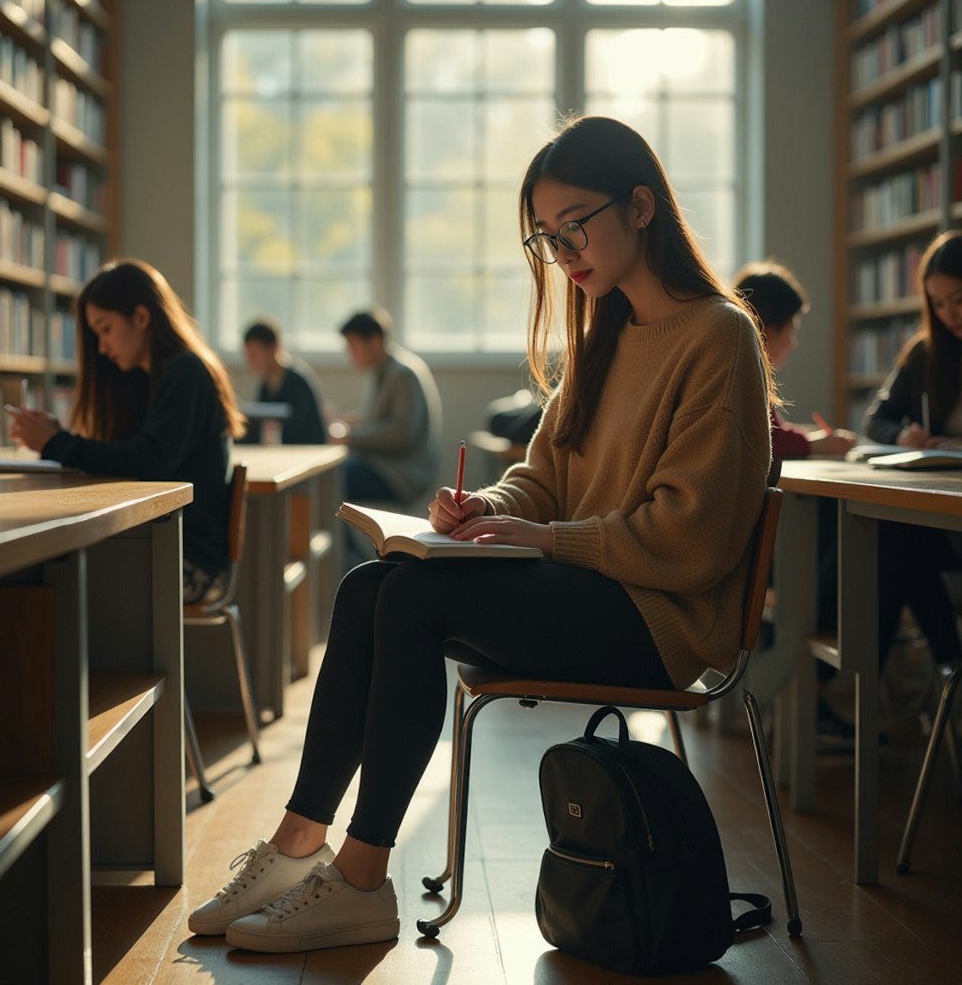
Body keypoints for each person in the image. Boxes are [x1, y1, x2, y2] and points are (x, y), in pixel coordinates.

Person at [187, 115, 775, 955]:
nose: (561, 248)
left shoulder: (720, 336)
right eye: (545, 234)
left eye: (575, 223)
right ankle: (295, 846)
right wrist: (484, 507)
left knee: (415, 599)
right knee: (368, 587)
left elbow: (690, 539)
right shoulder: (600, 329)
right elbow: (545, 476)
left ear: (641, 206)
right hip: (594, 593)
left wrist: (538, 539)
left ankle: (359, 881)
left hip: (661, 620)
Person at [7, 258, 246, 604]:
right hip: (162, 546)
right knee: (46, 570)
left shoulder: (186, 372)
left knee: (47, 577)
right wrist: (58, 440)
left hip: (187, 562)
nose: (102, 347)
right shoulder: (147, 380)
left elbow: (148, 460)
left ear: (141, 317)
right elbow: (133, 455)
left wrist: (56, 443)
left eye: (105, 329)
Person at [735, 260, 859, 742]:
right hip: (749, 544)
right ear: (770, 329)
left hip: (737, 533)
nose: (796, 341)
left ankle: (786, 694)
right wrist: (817, 444)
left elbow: (771, 434)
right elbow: (760, 437)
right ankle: (771, 693)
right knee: (842, 540)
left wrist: (807, 440)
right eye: (794, 328)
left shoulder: (736, 361)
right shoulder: (741, 363)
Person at [862, 230, 962, 679]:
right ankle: (950, 664)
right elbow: (876, 420)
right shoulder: (926, 353)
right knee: (896, 536)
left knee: (899, 544)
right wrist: (904, 434)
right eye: (937, 303)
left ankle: (945, 667)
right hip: (941, 516)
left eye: (958, 299)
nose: (948, 314)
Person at [735, 260, 856, 459]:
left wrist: (811, 437)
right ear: (767, 332)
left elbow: (772, 430)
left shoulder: (736, 363)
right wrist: (813, 444)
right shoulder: (742, 374)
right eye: (791, 332)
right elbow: (766, 440)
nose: (792, 344)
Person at [329, 307, 441, 506]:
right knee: (329, 474)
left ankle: (343, 539)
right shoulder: (383, 370)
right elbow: (379, 420)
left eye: (354, 345)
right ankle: (343, 538)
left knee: (331, 479)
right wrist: (350, 422)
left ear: (375, 340)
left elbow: (402, 433)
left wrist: (350, 437)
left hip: (401, 474)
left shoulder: (402, 374)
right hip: (381, 466)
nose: (350, 354)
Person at [241, 319, 326, 445]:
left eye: (255, 355)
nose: (251, 363)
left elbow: (296, 430)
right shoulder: (266, 385)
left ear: (273, 347)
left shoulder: (298, 381)